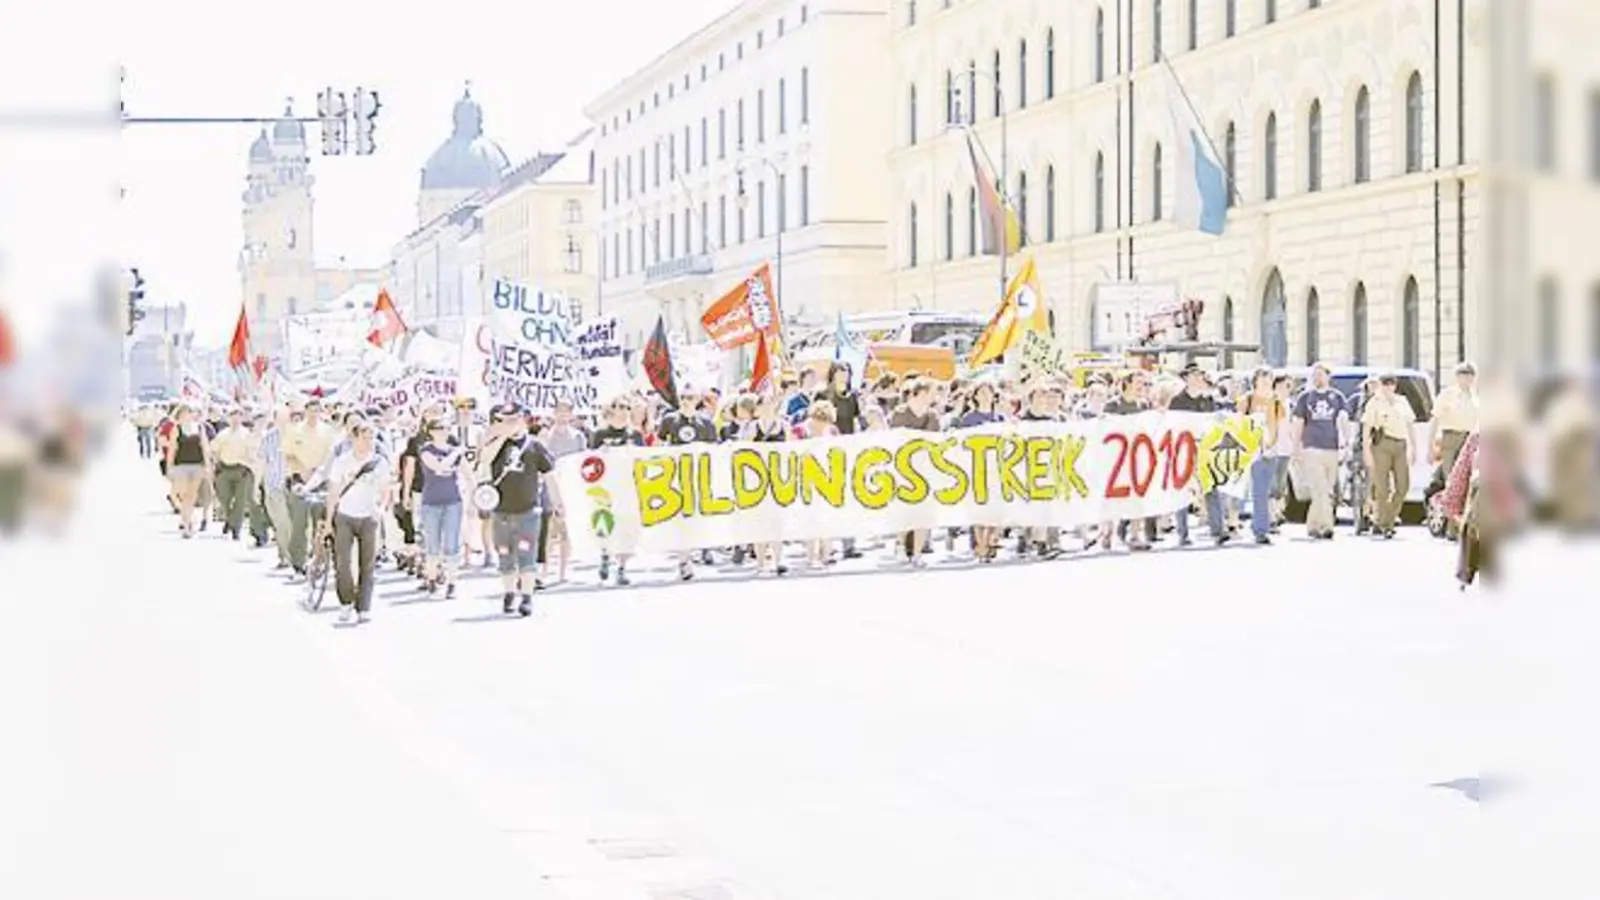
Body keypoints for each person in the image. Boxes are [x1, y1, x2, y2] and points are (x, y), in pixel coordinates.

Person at [481, 402, 555, 616]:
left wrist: (558, 502)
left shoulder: (534, 446)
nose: (510, 423)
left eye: (514, 419)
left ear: (523, 419)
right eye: (505, 419)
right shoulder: (496, 443)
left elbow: (549, 474)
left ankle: (527, 596)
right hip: (501, 510)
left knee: (526, 554)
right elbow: (484, 459)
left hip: (528, 511)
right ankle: (509, 592)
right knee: (505, 554)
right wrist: (502, 435)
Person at [322, 418, 391, 625]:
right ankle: (346, 602)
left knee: (367, 564)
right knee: (343, 562)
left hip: (368, 515)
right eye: (364, 437)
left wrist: (381, 508)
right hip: (345, 515)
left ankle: (364, 606)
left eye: (371, 438)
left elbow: (386, 487)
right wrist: (328, 520)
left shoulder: (379, 462)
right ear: (354, 438)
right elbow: (333, 491)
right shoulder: (343, 461)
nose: (368, 442)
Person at [656, 388, 718, 580]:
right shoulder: (670, 420)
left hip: (699, 475)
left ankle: (704, 546)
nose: (686, 401)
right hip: (677, 475)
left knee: (701, 515)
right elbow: (659, 444)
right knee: (681, 518)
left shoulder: (705, 422)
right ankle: (684, 560)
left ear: (697, 400)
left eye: (690, 398)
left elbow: (713, 448)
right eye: (683, 398)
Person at [1167, 364, 1228, 546]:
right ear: (1186, 378)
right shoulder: (1177, 401)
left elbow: (1214, 424)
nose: (1198, 378)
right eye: (1194, 375)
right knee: (1183, 490)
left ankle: (1218, 530)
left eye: (1200, 375)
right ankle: (1183, 533)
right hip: (1185, 448)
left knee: (1211, 488)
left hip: (1205, 449)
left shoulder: (1208, 400)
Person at [589, 398, 646, 585]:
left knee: (627, 528)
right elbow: (588, 460)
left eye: (625, 407)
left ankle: (622, 568)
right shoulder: (599, 434)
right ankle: (605, 553)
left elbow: (644, 460)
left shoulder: (635, 435)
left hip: (628, 487)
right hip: (606, 488)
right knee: (605, 524)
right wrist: (601, 453)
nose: (621, 411)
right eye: (617, 407)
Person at [1291, 362, 1348, 540]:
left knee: (1327, 489)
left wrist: (1345, 443)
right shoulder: (1305, 398)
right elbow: (1299, 423)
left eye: (1321, 374)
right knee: (1319, 487)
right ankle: (1326, 526)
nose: (1317, 378)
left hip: (1331, 447)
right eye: (1314, 375)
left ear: (1328, 377)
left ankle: (1313, 525)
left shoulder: (1337, 397)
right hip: (1312, 447)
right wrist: (1296, 448)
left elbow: (1343, 420)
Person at [1361, 373, 1417, 539]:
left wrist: (1413, 447)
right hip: (1382, 444)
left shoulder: (1402, 401)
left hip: (1401, 444)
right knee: (1382, 487)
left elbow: (1410, 424)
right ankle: (1387, 524)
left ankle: (1384, 519)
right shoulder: (1375, 402)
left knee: (1403, 485)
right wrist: (1366, 450)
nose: (1388, 387)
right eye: (1385, 384)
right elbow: (1366, 427)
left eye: (1391, 384)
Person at [1237, 368, 1287, 546]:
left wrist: (1279, 447)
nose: (1266, 383)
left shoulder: (1275, 402)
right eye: (1263, 380)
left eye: (1269, 380)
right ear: (1255, 381)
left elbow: (1281, 425)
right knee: (1258, 491)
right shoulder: (1246, 400)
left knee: (1265, 490)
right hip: (1252, 450)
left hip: (1270, 449)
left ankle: (1258, 524)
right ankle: (1260, 529)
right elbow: (1238, 423)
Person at [416, 417, 464, 597]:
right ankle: (431, 577)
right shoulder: (426, 450)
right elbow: (438, 467)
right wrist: (455, 454)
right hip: (431, 502)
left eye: (445, 428)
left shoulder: (454, 451)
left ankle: (452, 582)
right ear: (431, 431)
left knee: (452, 544)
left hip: (453, 500)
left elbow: (466, 472)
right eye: (438, 428)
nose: (442, 431)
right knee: (432, 545)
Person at [209, 407, 259, 541]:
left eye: (238, 416)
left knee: (240, 501)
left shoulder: (247, 434)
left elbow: (253, 452)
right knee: (224, 499)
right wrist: (215, 464)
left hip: (242, 470)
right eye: (232, 416)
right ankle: (229, 519)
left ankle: (236, 527)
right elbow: (213, 450)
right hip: (225, 469)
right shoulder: (223, 434)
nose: (235, 418)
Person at [164, 403, 212, 539]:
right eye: (184, 413)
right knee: (183, 494)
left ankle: (188, 521)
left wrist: (207, 466)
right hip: (181, 466)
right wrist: (169, 466)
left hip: (197, 465)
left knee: (191, 496)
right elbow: (172, 449)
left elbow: (205, 447)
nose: (187, 416)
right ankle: (186, 522)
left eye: (189, 413)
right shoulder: (177, 429)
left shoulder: (199, 428)